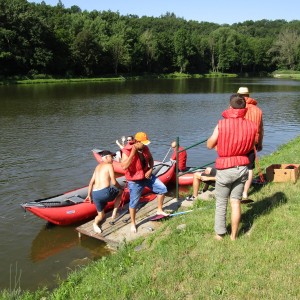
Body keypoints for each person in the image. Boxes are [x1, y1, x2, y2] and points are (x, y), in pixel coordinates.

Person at [207, 94, 257, 240]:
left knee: (221, 202)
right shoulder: (251, 125)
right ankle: (234, 236)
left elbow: (210, 144)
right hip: (242, 167)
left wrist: (218, 144)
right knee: (236, 202)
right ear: (244, 108)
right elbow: (251, 145)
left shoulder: (221, 124)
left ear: (230, 107)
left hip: (225, 167)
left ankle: (220, 234)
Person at [121, 131, 169, 233]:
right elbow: (124, 166)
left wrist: (150, 169)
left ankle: (159, 210)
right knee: (134, 202)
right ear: (137, 142)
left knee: (162, 189)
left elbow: (151, 159)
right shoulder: (126, 151)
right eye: (143, 143)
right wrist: (132, 154)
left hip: (147, 176)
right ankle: (133, 223)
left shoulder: (145, 148)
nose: (145, 145)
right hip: (134, 181)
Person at [85, 150, 123, 233]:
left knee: (101, 215)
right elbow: (113, 182)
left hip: (95, 193)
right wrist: (120, 188)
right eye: (111, 157)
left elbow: (91, 182)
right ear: (106, 157)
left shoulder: (97, 167)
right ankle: (114, 214)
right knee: (121, 192)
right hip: (105, 192)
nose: (113, 159)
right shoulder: (109, 165)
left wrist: (89, 194)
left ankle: (95, 224)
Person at [237, 87, 264, 200]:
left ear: (239, 95)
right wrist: (260, 143)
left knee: (237, 166)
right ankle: (245, 193)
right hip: (253, 143)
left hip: (238, 142)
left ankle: (236, 191)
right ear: (248, 95)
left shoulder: (236, 107)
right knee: (250, 168)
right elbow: (261, 128)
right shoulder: (258, 110)